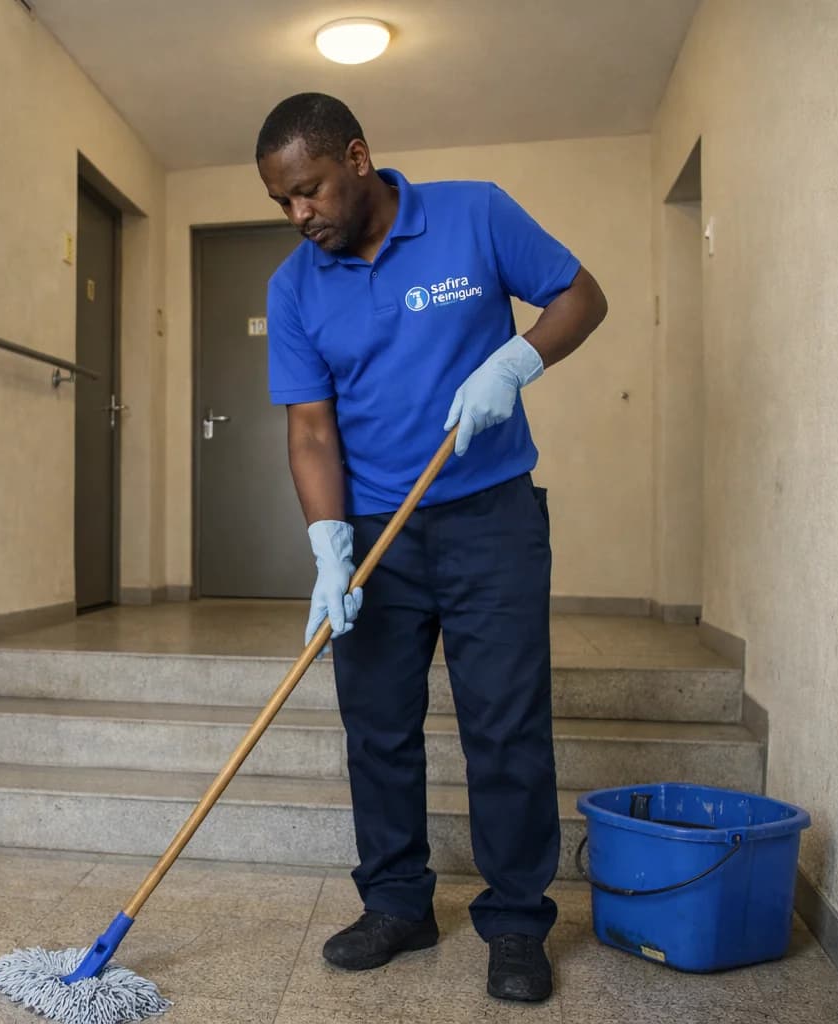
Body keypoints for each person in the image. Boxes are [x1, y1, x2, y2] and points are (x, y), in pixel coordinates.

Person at [255, 92, 607, 1003]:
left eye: (310, 190)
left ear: (358, 158)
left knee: (505, 725)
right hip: (378, 529)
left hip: (493, 518)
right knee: (377, 729)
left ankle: (519, 922)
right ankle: (399, 905)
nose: (301, 216)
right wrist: (330, 546)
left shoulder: (473, 212)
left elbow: (581, 293)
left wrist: (517, 361)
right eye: (283, 203)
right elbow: (310, 431)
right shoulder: (293, 286)